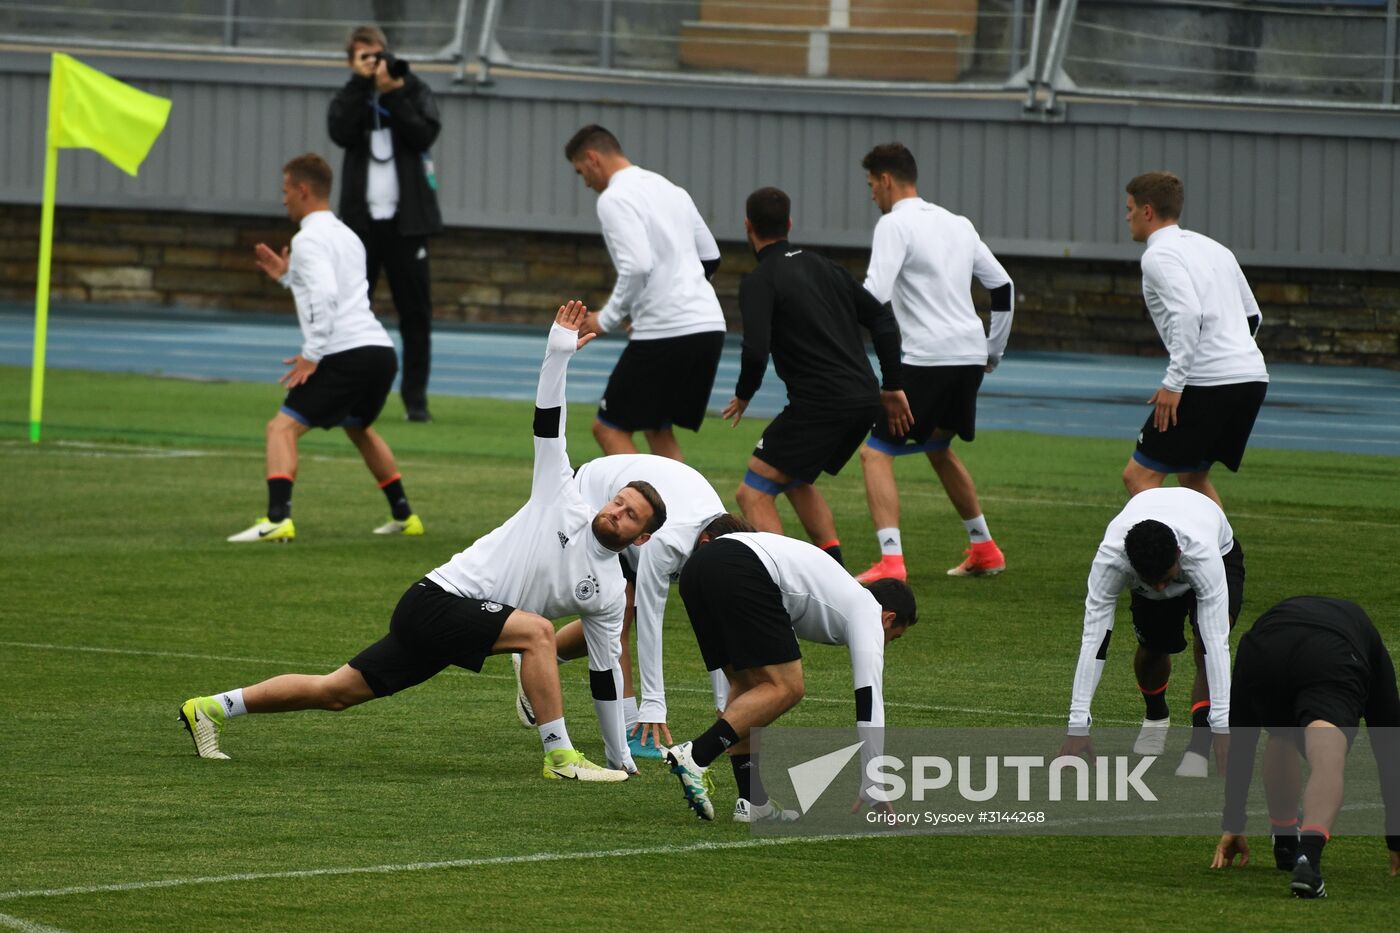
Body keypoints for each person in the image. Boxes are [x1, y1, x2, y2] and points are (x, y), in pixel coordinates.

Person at [182, 302, 665, 782]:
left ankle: (211, 707)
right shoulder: (560, 498)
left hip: (462, 625)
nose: (614, 512)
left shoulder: (606, 591)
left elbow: (606, 675)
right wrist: (557, 352)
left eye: (628, 516)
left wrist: (619, 754)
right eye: (617, 502)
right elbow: (548, 420)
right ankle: (560, 759)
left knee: (335, 692)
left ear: (639, 537)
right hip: (435, 602)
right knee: (538, 632)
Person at [664, 525, 918, 823]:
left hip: (699, 568)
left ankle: (752, 800)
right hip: (743, 566)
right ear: (888, 618)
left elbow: (744, 688)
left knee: (750, 686)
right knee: (789, 687)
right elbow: (869, 699)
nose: (886, 644)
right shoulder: (868, 610)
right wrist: (873, 781)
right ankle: (696, 756)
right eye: (894, 637)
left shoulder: (833, 592)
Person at [229, 153, 420, 543]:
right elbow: (342, 291)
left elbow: (326, 295)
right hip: (379, 352)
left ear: (302, 190)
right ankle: (405, 516)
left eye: (285, 191)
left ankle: (277, 518)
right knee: (358, 427)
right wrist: (287, 277)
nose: (283, 200)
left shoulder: (308, 238)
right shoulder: (346, 235)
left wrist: (311, 354)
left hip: (345, 352)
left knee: (280, 428)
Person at [723, 187, 912, 568]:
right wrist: (891, 384)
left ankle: (788, 580)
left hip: (821, 404)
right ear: (789, 224)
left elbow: (756, 349)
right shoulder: (827, 267)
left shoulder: (760, 280)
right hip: (863, 399)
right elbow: (882, 318)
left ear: (748, 226)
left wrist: (744, 394)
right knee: (793, 478)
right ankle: (834, 568)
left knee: (753, 490)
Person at [852, 143, 1015, 582]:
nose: (871, 195)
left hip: (929, 358)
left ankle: (890, 562)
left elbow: (874, 296)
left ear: (886, 180)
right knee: (938, 447)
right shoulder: (956, 223)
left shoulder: (893, 224)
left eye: (871, 185)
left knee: (875, 454)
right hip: (967, 355)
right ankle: (985, 548)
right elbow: (1003, 287)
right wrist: (992, 351)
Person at [528, 454, 728, 762]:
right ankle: (631, 727)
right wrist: (654, 705)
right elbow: (651, 621)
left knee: (616, 615)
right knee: (619, 613)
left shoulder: (721, 538)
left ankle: (540, 658)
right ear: (704, 545)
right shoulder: (668, 543)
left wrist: (725, 705)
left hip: (636, 515)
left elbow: (715, 625)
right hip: (593, 498)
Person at [1210, 596, 1400, 898]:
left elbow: (1242, 741)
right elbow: (1389, 748)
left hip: (1262, 646)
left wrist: (1233, 822)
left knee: (1281, 732)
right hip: (1330, 651)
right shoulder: (1370, 645)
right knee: (1327, 754)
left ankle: (1285, 838)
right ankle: (1307, 860)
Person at [564, 124, 726, 461]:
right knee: (657, 428)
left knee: (608, 428)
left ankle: (649, 513)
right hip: (709, 326)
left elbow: (637, 265)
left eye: (581, 172)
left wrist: (605, 320)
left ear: (593, 159)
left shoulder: (614, 198)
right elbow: (710, 256)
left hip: (668, 330)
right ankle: (692, 513)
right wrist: (667, 301)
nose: (586, 183)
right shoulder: (672, 190)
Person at [1059, 487, 1243, 777]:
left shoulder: (1202, 555)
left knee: (1203, 643)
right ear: (1131, 565)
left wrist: (1223, 727)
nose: (1160, 589)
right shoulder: (1111, 559)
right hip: (1157, 555)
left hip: (1220, 550)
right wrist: (1077, 725)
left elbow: (1215, 643)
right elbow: (1095, 641)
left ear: (1179, 556)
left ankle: (1199, 743)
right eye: (1151, 582)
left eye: (1165, 580)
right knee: (1153, 648)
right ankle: (1156, 716)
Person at [1122, 171, 1269, 507]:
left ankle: (1174, 558)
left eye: (1130, 208)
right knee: (1192, 478)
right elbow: (1253, 316)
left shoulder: (1158, 255)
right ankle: (1225, 558)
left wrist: (1175, 383)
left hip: (1209, 382)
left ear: (1147, 211)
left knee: (1139, 477)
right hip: (1252, 377)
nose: (1126, 216)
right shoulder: (1216, 249)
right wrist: (1232, 357)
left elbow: (1188, 314)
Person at [328, 24, 443, 423]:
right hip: (360, 226)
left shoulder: (412, 89)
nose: (374, 63)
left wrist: (393, 91)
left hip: (406, 223)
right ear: (352, 60)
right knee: (350, 309)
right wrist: (361, 86)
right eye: (364, 57)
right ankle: (348, 395)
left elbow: (424, 135)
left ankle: (416, 400)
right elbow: (340, 132)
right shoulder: (350, 95)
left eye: (377, 54)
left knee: (415, 314)